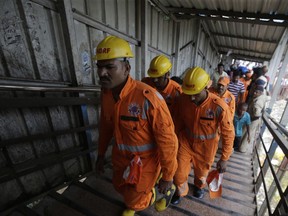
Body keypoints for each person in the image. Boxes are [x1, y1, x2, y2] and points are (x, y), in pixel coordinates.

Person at [94, 36, 178, 216]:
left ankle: (153, 194)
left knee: (135, 202)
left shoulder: (148, 98)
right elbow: (106, 125)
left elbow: (168, 141)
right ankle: (136, 198)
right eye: (99, 67)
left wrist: (169, 177)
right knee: (119, 187)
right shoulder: (107, 93)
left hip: (145, 162)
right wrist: (101, 154)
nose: (102, 73)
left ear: (127, 68)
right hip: (121, 157)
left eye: (109, 67)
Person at [171, 67, 235, 204]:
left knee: (201, 173)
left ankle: (199, 186)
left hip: (207, 147)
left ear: (207, 87)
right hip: (186, 141)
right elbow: (178, 121)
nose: (192, 98)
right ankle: (179, 192)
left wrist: (224, 158)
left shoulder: (219, 107)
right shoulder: (183, 99)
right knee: (179, 173)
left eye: (196, 93)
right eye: (189, 93)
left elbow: (228, 133)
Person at [239, 86, 267, 153]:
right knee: (246, 133)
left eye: (256, 92)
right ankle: (240, 147)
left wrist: (249, 119)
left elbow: (256, 115)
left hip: (253, 120)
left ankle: (242, 149)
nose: (254, 93)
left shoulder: (257, 102)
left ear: (260, 93)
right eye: (254, 91)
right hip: (252, 118)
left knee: (246, 134)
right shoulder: (261, 97)